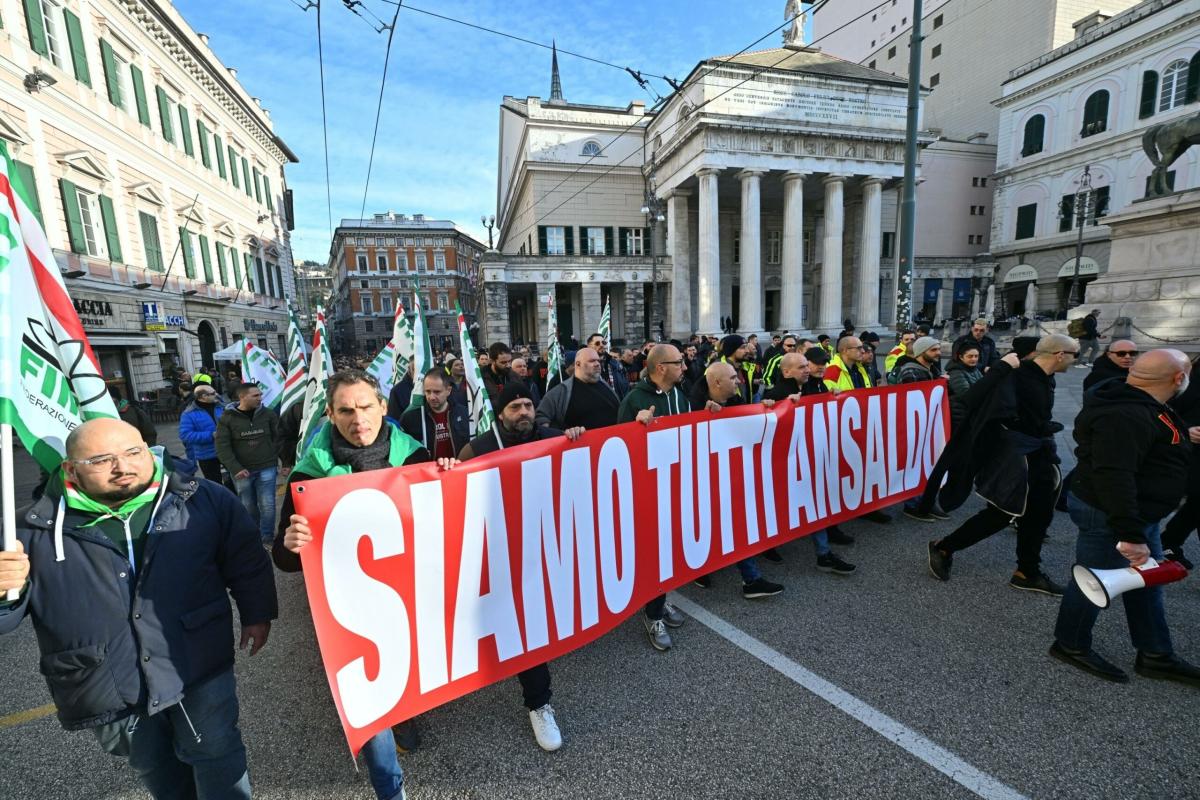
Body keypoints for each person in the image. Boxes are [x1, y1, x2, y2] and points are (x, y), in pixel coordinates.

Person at [0, 418, 276, 799]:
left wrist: (257, 612)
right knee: (154, 765)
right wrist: (3, 592)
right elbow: (7, 617)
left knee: (217, 754)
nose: (123, 467)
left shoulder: (203, 498)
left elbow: (245, 560)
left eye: (133, 452)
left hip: (196, 662)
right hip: (105, 680)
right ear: (69, 469)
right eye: (101, 459)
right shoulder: (27, 531)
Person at [277, 370, 456, 796]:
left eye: (365, 407)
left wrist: (449, 473)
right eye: (346, 410)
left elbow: (446, 520)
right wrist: (290, 543)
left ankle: (405, 710)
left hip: (407, 591)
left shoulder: (415, 457)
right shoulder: (308, 475)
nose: (358, 418)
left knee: (405, 662)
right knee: (370, 697)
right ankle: (389, 785)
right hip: (350, 606)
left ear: (382, 408)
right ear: (330, 414)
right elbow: (284, 560)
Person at [1051, 349, 1200, 685]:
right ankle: (1070, 643)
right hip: (1112, 514)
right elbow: (1113, 476)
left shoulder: (1140, 401)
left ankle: (1155, 653)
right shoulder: (1125, 414)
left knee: (1147, 580)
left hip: (1133, 512)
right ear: (1179, 379)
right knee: (1093, 580)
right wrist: (1130, 534)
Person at [456, 382, 584, 752]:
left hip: (545, 548)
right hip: (497, 555)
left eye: (529, 404)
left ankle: (538, 699)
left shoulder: (554, 437)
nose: (525, 412)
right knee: (514, 627)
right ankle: (532, 700)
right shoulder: (476, 449)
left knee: (535, 627)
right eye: (515, 407)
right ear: (500, 413)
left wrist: (576, 437)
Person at [926, 334, 1078, 595]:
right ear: (1060, 354)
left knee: (1039, 512)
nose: (1078, 360)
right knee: (1003, 513)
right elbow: (974, 401)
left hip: (1038, 453)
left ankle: (1026, 571)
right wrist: (1000, 368)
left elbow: (1035, 415)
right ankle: (944, 547)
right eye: (1075, 354)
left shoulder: (1046, 378)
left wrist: (1043, 429)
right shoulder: (1014, 376)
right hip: (1015, 457)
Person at [618, 344, 691, 650]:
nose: (685, 367)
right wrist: (635, 427)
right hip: (648, 492)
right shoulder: (635, 399)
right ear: (660, 367)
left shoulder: (678, 394)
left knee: (671, 552)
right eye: (679, 363)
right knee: (655, 555)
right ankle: (652, 615)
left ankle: (660, 601)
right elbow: (617, 446)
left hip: (676, 485)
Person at [763, 352, 857, 572]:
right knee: (779, 505)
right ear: (786, 372)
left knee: (814, 503)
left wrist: (833, 394)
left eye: (807, 365)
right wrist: (770, 405)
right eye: (801, 367)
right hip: (784, 462)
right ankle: (767, 544)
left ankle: (823, 554)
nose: (807, 369)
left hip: (809, 458)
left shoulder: (814, 385)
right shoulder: (776, 392)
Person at [215, 383, 282, 545]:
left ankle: (266, 537)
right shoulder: (227, 418)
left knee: (268, 504)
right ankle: (254, 533)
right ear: (242, 397)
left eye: (260, 395)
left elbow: (279, 438)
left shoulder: (268, 415)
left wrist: (283, 460)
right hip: (242, 471)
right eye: (255, 395)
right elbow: (222, 446)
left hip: (267, 466)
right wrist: (235, 468)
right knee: (248, 505)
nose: (260, 398)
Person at [1163, 360, 1200, 567]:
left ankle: (1169, 541)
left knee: (1196, 504)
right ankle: (1168, 542)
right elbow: (1161, 412)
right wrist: (1186, 430)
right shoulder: (1188, 378)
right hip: (1188, 452)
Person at [536, 347, 621, 431]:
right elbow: (541, 419)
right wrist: (562, 433)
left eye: (598, 361)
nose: (597, 364)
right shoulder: (560, 392)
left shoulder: (606, 387)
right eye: (592, 361)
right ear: (578, 364)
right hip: (581, 444)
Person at [400, 370, 471, 460]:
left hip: (458, 470)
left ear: (448, 390)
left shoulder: (464, 413)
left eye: (437, 392)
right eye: (428, 391)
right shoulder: (410, 418)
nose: (432, 397)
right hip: (428, 472)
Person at [179, 384, 226, 483]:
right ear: (204, 397)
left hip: (227, 450)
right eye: (213, 393)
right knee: (215, 484)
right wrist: (211, 435)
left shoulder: (221, 407)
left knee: (234, 481)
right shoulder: (189, 413)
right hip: (207, 455)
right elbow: (185, 435)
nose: (216, 394)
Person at [716, 334, 758, 402]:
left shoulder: (745, 367)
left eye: (746, 347)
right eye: (743, 347)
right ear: (732, 350)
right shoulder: (716, 369)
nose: (747, 351)